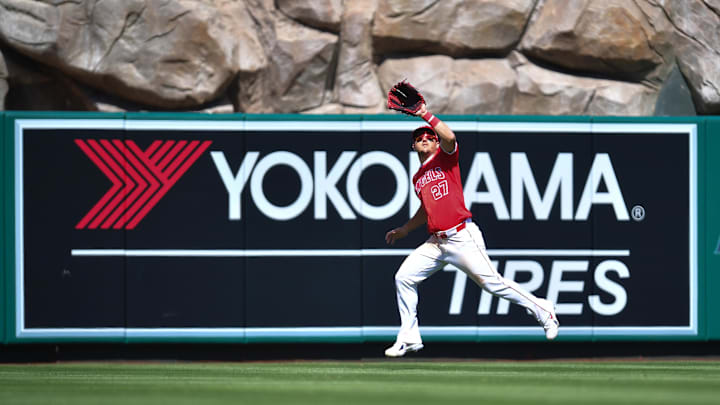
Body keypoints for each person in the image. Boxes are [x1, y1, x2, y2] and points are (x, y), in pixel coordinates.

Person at [383, 102, 559, 358]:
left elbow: (450, 137)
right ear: (413, 146)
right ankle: (409, 337)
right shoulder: (418, 177)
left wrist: (424, 115)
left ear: (435, 143)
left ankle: (544, 310)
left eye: (428, 137)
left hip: (461, 236)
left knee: (493, 284)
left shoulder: (445, 158)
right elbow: (426, 209)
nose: (424, 140)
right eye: (419, 138)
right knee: (404, 277)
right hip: (436, 242)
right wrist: (405, 229)